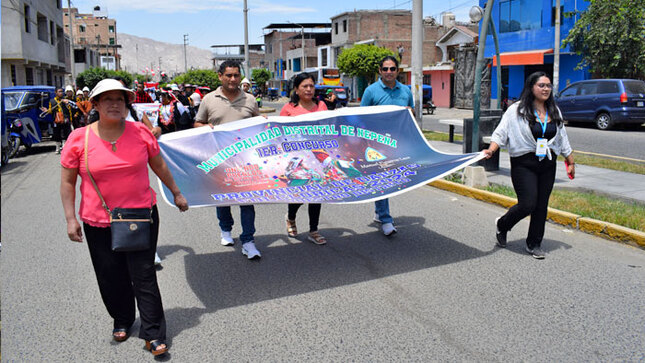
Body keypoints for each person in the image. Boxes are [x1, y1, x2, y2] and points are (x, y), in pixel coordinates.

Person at [60, 79, 188, 357]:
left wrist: (177, 193)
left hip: (139, 217)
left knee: (143, 275)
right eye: (108, 99)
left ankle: (153, 333)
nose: (115, 104)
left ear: (127, 104)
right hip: (97, 221)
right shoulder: (78, 139)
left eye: (120, 99)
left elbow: (159, 165)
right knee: (110, 275)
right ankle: (122, 318)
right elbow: (68, 182)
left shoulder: (141, 132)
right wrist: (71, 218)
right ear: (95, 104)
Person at [483, 71, 575, 259]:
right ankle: (503, 224)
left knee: (541, 206)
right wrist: (491, 150)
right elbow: (501, 132)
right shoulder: (516, 110)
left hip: (548, 163)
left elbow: (562, 137)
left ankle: (534, 243)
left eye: (548, 85)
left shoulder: (554, 110)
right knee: (528, 204)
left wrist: (570, 160)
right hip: (524, 162)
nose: (546, 89)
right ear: (531, 87)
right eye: (541, 85)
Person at [194, 60, 262, 259]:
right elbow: (198, 122)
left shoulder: (250, 100)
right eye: (229, 75)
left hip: (245, 161)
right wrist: (206, 128)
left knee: (247, 201)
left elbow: (257, 124)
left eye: (236, 75)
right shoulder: (208, 99)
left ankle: (248, 240)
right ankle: (225, 230)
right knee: (223, 200)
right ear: (220, 76)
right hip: (219, 160)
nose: (233, 79)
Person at [360, 55, 413, 236]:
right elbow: (361, 118)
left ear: (398, 70)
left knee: (391, 180)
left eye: (392, 69)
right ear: (380, 71)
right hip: (376, 145)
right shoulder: (371, 91)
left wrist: (409, 113)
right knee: (383, 181)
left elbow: (411, 114)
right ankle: (386, 220)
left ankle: (379, 212)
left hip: (397, 145)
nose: (389, 72)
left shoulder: (405, 91)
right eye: (385, 69)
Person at [279, 73, 329, 245]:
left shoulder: (321, 105)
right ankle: (291, 217)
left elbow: (328, 128)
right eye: (305, 86)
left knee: (316, 194)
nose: (309, 89)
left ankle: (313, 230)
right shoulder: (288, 109)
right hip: (296, 158)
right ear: (296, 89)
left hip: (316, 157)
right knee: (299, 194)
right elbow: (278, 133)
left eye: (311, 86)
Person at [40, 87, 73, 154]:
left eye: (62, 91)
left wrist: (67, 103)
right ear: (56, 92)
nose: (61, 93)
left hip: (64, 119)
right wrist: (46, 111)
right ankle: (57, 148)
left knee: (64, 133)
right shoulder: (52, 101)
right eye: (59, 91)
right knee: (56, 134)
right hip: (56, 120)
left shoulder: (65, 100)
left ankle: (64, 147)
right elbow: (50, 110)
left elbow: (69, 109)